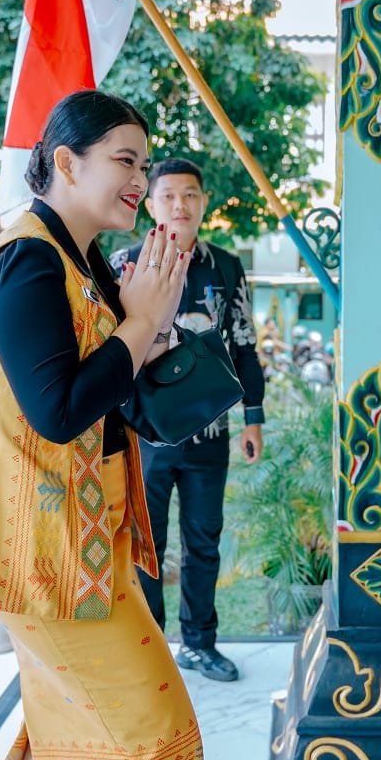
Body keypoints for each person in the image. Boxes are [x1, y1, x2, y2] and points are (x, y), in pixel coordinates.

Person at [0, 91, 204, 760]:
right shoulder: (24, 262)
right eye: (125, 159)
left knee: (76, 735)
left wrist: (156, 323)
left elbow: (117, 400)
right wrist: (139, 324)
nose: (142, 181)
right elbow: (57, 411)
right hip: (40, 548)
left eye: (144, 163)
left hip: (87, 535)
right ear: (66, 161)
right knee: (153, 735)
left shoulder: (81, 262)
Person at [109, 158, 265, 684]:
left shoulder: (225, 267)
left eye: (190, 195)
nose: (180, 204)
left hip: (209, 434)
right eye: (169, 195)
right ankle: (149, 647)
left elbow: (244, 344)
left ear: (203, 203)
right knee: (145, 543)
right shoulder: (124, 264)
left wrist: (254, 418)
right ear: (151, 205)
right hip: (146, 437)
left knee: (204, 540)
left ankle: (200, 643)